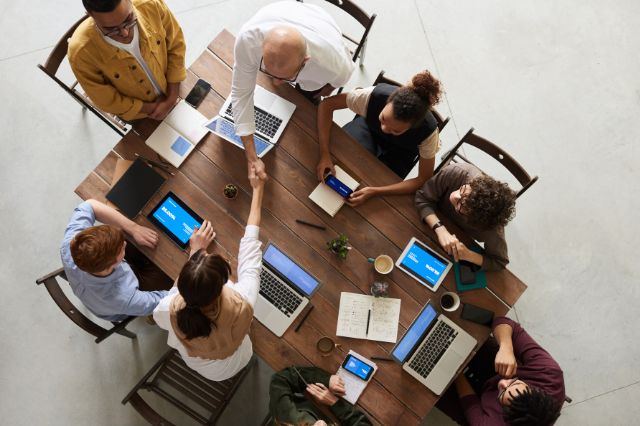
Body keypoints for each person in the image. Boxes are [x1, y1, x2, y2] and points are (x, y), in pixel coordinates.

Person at [153, 166, 266, 381]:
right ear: (222, 285)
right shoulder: (242, 301)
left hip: (207, 370)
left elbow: (169, 303)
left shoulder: (168, 308)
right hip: (236, 359)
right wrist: (259, 189)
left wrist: (195, 251)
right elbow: (251, 249)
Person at [232, 1, 355, 180]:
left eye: (283, 78)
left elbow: (339, 80)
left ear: (305, 62)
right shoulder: (247, 40)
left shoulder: (333, 66)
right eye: (268, 71)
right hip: (283, 10)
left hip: (321, 26)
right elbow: (241, 94)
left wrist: (328, 88)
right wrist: (252, 156)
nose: (275, 83)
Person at [317, 71, 443, 206]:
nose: (384, 129)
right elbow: (326, 105)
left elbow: (423, 178)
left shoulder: (428, 134)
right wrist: (324, 154)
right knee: (342, 158)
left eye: (396, 130)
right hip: (368, 129)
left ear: (413, 127)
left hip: (402, 151)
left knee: (379, 183)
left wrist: (375, 191)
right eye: (383, 118)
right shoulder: (372, 96)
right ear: (388, 101)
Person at [68, 0, 186, 121]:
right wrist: (153, 108)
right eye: (111, 29)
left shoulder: (151, 4)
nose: (124, 33)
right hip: (141, 116)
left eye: (128, 20)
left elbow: (176, 44)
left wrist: (172, 97)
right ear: (90, 14)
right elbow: (106, 100)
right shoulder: (80, 53)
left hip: (175, 87)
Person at [436, 317, 565, 425]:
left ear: (505, 415)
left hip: (478, 406)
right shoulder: (549, 373)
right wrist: (506, 347)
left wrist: (454, 367)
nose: (503, 383)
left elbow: (469, 402)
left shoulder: (493, 423)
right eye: (515, 383)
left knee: (436, 388)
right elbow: (503, 321)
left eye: (503, 393)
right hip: (495, 368)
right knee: (469, 331)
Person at [60, 199, 172, 321]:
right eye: (121, 249)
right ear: (111, 265)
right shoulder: (125, 298)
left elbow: (90, 205)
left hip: (96, 293)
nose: (124, 243)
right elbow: (170, 301)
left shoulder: (72, 244)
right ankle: (151, 317)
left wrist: (134, 228)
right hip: (123, 305)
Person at [414, 163, 517, 271]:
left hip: (456, 243)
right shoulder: (457, 172)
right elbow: (422, 198)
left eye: (461, 205)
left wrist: (468, 255)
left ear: (474, 220)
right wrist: (440, 229)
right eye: (463, 190)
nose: (455, 196)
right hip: (425, 220)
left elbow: (499, 262)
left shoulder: (492, 228)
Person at [269, 366, 372, 426]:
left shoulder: (287, 419)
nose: (320, 424)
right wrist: (335, 403)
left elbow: (280, 380)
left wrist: (325, 379)